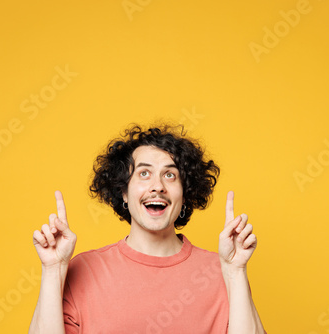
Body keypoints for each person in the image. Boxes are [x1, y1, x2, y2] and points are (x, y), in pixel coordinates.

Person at [29, 124, 266, 334]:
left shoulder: (222, 270)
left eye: (170, 175)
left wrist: (235, 272)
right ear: (123, 191)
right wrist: (53, 269)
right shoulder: (84, 269)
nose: (157, 186)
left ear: (184, 195)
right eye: (144, 173)